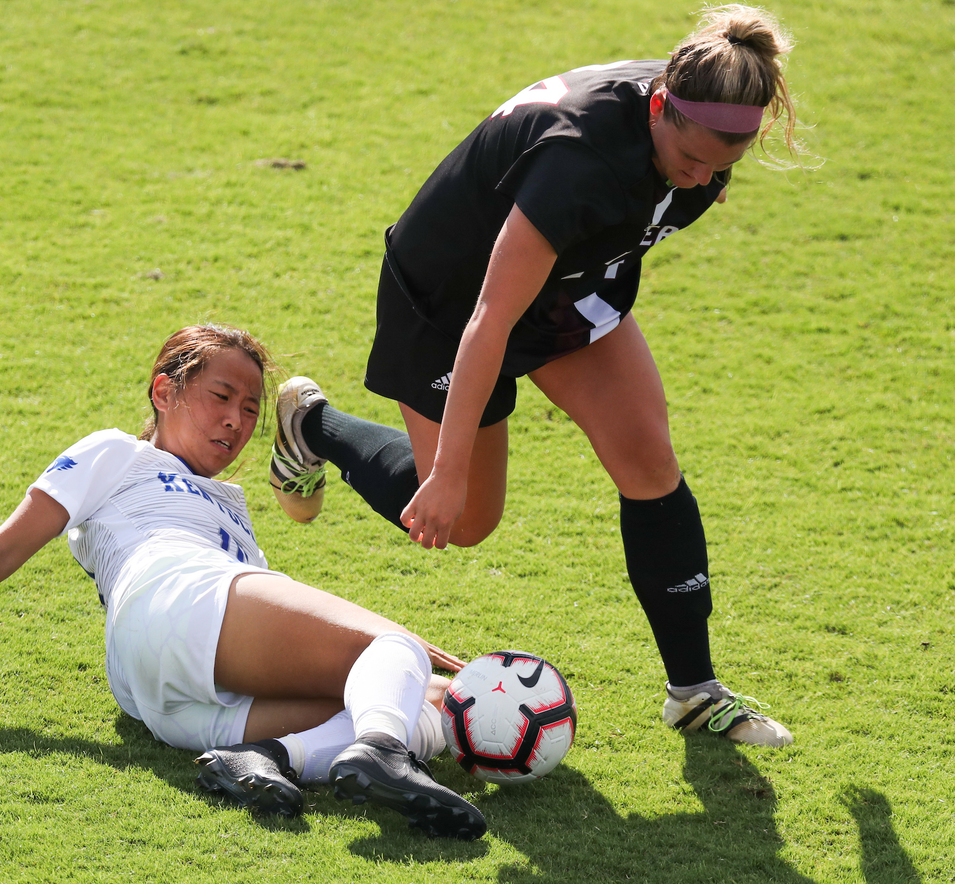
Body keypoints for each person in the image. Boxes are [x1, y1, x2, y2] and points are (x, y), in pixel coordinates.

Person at [267, 6, 805, 748]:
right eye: (695, 156)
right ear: (661, 107)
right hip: (450, 297)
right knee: (466, 518)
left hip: (567, 285)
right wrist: (449, 470)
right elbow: (487, 318)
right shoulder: (580, 161)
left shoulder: (701, 106)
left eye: (726, 161)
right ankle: (311, 424)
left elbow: (632, 217)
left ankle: (695, 692)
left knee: (649, 460)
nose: (706, 176)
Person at [0, 324, 487, 840]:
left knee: (432, 703)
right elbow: (9, 544)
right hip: (174, 595)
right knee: (394, 651)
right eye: (220, 397)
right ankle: (382, 755)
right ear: (164, 391)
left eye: (252, 409)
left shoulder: (229, 507)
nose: (236, 419)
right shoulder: (120, 452)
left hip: (164, 704)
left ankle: (262, 759)